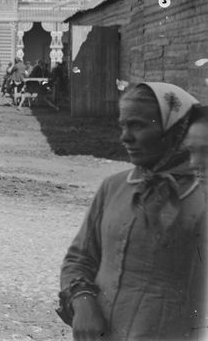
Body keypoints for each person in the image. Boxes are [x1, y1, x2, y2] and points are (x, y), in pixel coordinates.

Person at [58, 82, 206, 340]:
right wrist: (83, 302)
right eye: (122, 126)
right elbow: (79, 259)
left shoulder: (200, 198)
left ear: (175, 129)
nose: (124, 137)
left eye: (137, 125)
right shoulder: (113, 187)